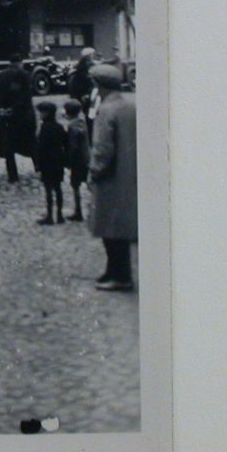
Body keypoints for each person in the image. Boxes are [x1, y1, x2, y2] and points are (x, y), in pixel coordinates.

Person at [87, 64, 137, 291]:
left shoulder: (106, 110)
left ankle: (120, 276)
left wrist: (94, 172)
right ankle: (114, 271)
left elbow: (102, 148)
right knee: (120, 228)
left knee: (110, 229)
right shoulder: (128, 106)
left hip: (110, 177)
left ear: (99, 86)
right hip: (128, 175)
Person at [0, 54, 36, 182]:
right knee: (31, 143)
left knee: (8, 146)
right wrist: (13, 108)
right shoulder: (24, 75)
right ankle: (39, 169)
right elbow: (25, 96)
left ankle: (12, 175)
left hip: (2, 116)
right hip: (22, 116)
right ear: (20, 63)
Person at [33, 99, 68, 225]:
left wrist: (38, 164)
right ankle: (59, 215)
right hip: (58, 162)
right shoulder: (59, 127)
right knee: (58, 189)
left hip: (47, 163)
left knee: (48, 189)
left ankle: (49, 215)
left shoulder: (44, 128)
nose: (40, 115)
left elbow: (41, 147)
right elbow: (66, 142)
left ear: (46, 113)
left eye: (41, 112)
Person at [62, 98, 90, 221]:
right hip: (86, 158)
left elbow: (73, 146)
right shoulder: (82, 123)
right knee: (90, 184)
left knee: (75, 186)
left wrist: (67, 161)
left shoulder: (72, 127)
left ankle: (78, 211)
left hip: (77, 161)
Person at [68, 47, 98, 143]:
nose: (93, 56)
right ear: (88, 56)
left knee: (91, 115)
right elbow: (83, 81)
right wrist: (84, 94)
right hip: (86, 95)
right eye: (92, 55)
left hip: (89, 94)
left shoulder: (85, 65)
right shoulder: (82, 68)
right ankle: (91, 136)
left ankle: (92, 135)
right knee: (90, 116)